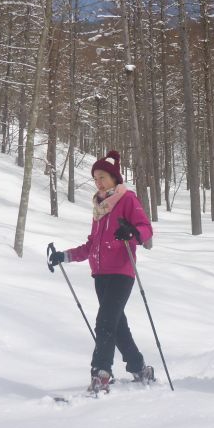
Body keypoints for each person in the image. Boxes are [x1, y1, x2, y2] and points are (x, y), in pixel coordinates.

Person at [48, 150, 155, 393]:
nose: (98, 181)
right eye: (95, 178)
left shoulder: (127, 200)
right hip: (100, 275)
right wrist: (63, 256)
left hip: (121, 271)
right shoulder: (99, 207)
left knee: (105, 321)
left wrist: (131, 233)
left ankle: (101, 372)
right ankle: (139, 368)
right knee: (117, 326)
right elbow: (91, 245)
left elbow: (145, 229)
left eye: (103, 177)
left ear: (115, 178)